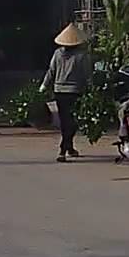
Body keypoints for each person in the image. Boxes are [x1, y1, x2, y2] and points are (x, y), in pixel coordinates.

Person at [41, 23, 90, 162]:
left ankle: (68, 147)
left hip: (59, 92)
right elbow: (87, 74)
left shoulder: (57, 53)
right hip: (75, 91)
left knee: (65, 121)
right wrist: (91, 88)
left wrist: (44, 85)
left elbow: (51, 71)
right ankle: (63, 148)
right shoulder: (81, 56)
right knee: (73, 121)